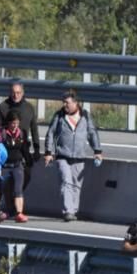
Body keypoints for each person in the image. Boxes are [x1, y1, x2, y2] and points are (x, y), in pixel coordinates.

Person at [44, 90, 102, 222]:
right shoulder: (59, 116)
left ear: (75, 103)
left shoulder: (85, 116)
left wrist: (97, 151)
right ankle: (68, 211)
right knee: (66, 181)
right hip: (62, 156)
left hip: (79, 157)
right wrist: (48, 152)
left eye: (67, 102)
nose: (64, 105)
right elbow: (50, 134)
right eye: (63, 102)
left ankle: (73, 211)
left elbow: (92, 133)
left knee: (76, 185)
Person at [0, 81, 41, 174]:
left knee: (25, 178)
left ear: (23, 93)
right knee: (5, 183)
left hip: (23, 149)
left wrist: (37, 149)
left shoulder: (29, 108)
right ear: (10, 92)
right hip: (6, 150)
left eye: (18, 93)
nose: (16, 95)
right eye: (13, 92)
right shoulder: (3, 107)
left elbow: (34, 129)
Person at [0, 111, 31, 223]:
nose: (15, 126)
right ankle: (5, 211)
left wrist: (28, 162)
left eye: (17, 123)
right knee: (5, 190)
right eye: (13, 123)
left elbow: (25, 150)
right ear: (8, 123)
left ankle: (19, 213)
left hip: (18, 165)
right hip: (5, 166)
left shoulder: (21, 133)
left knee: (18, 190)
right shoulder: (2, 134)